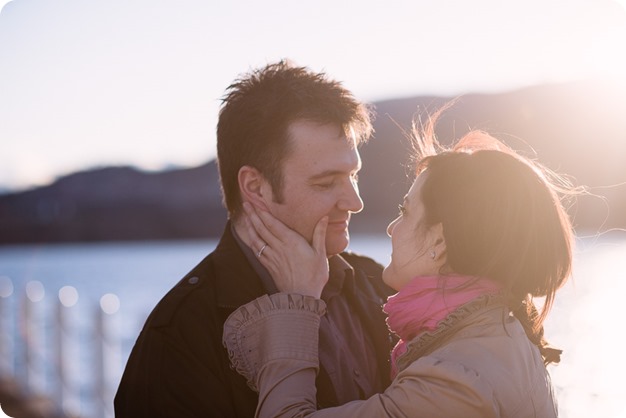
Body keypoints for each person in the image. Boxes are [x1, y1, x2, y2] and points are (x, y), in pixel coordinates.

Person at [223, 107, 576, 417]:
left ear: (441, 240)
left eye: (404, 211)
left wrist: (298, 302)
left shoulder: (456, 384)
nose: (392, 228)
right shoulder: (497, 330)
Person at [114, 61, 397, 417]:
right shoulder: (181, 336)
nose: (355, 202)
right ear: (255, 187)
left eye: (353, 175)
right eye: (325, 183)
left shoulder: (378, 283)